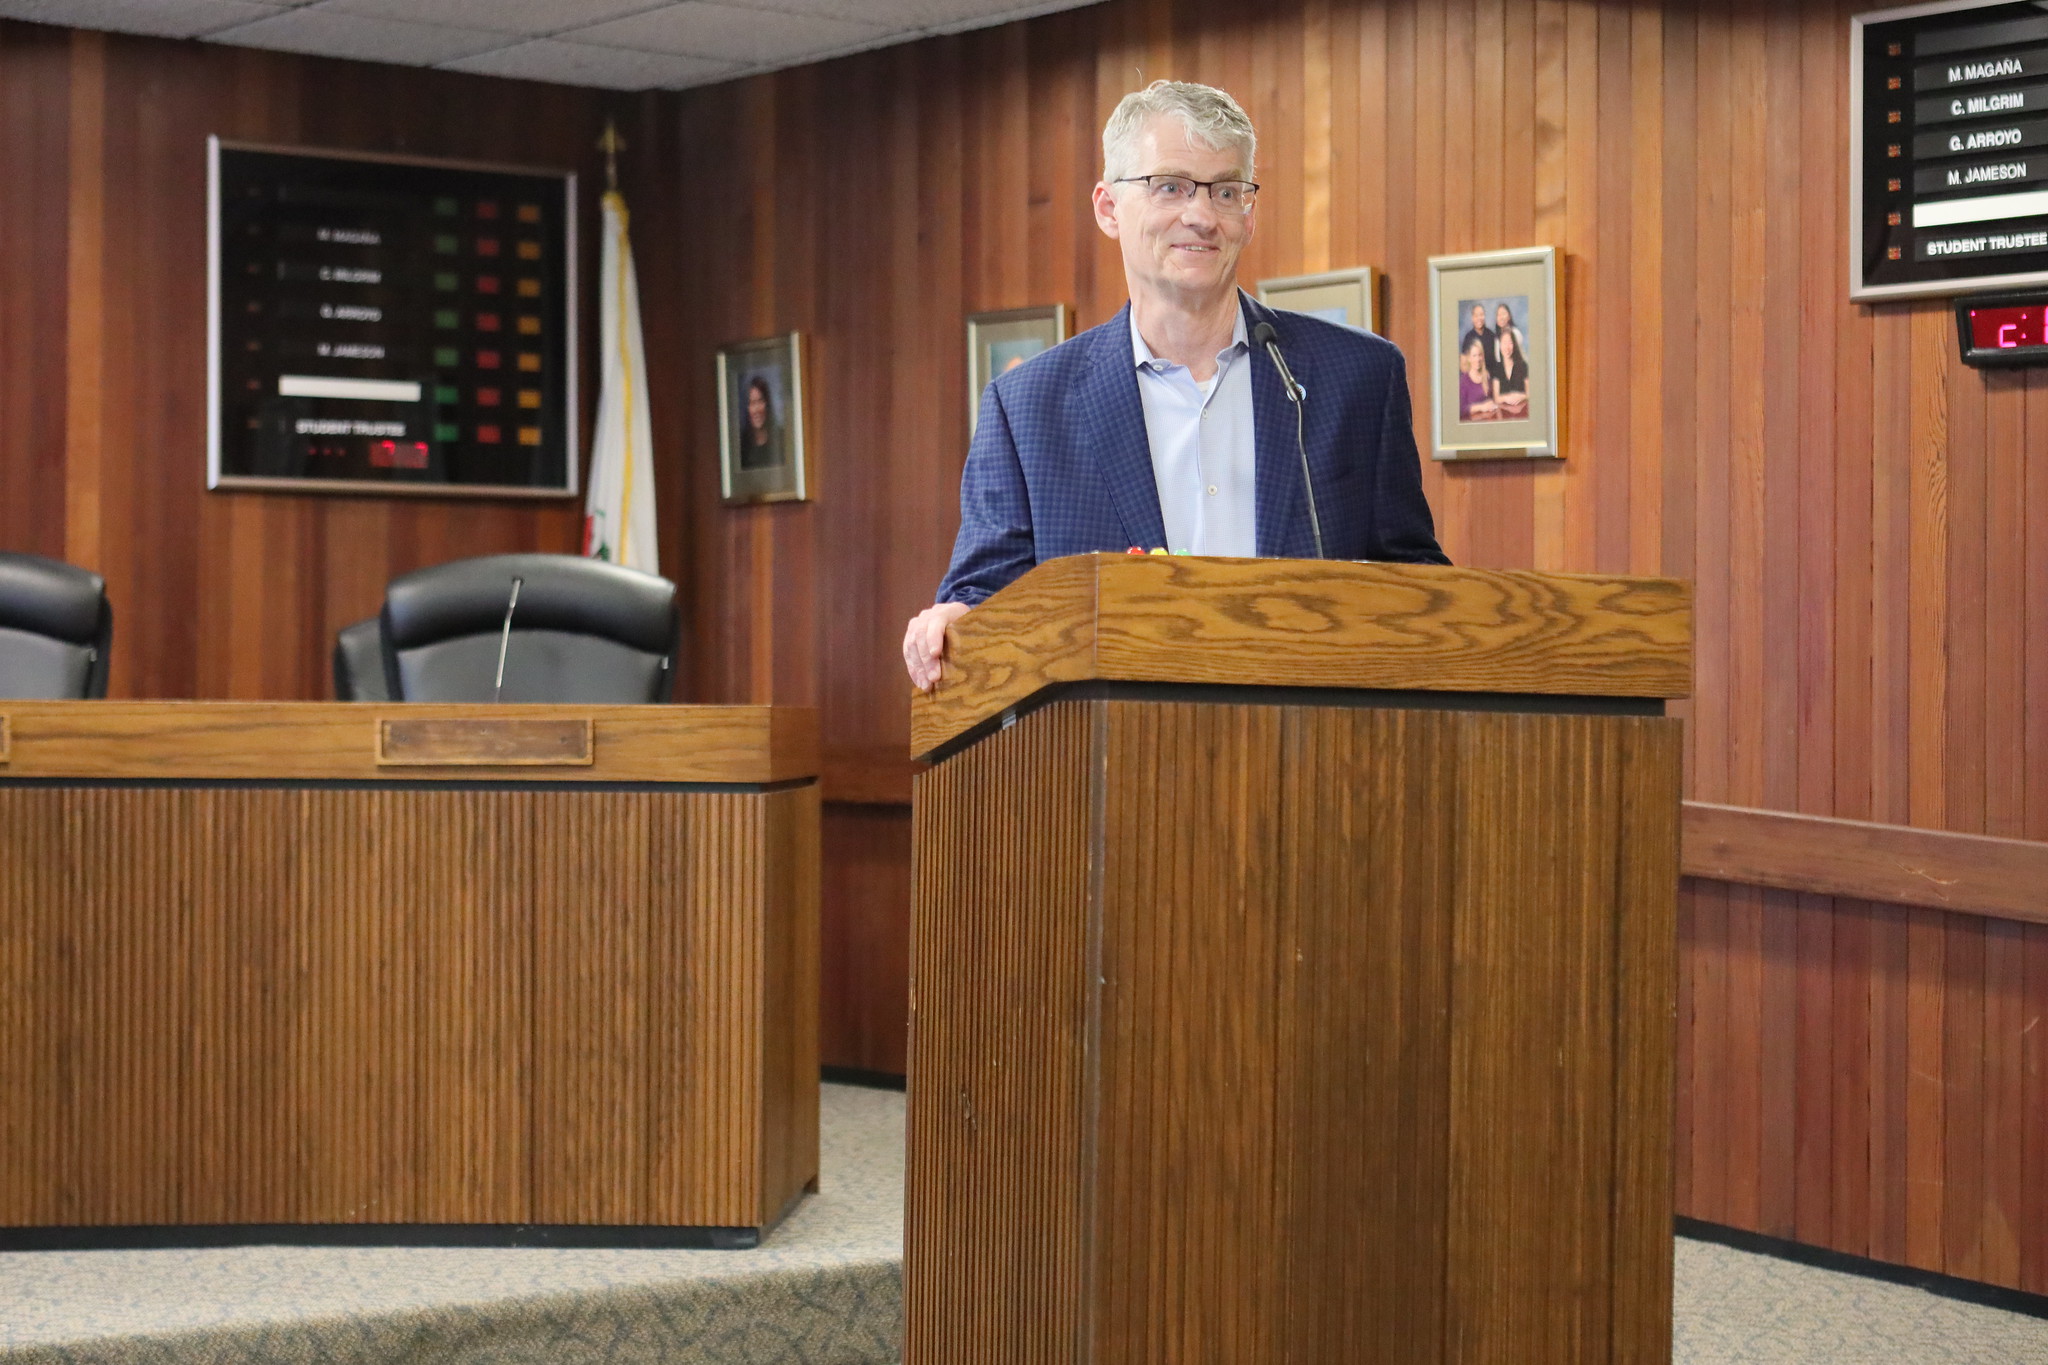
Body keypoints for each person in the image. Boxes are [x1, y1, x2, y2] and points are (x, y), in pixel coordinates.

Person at [902, 80, 1447, 689]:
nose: (1202, 216)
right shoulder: (1028, 407)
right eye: (1171, 187)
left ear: (1249, 214)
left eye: (1226, 190)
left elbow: (1418, 583)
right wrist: (958, 618)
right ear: (1109, 209)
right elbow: (987, 594)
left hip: (1318, 751)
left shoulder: (1356, 379)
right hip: (1117, 758)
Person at [736, 374, 781, 470]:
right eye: (752, 403)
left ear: (767, 404)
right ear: (747, 408)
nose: (756, 410)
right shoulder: (742, 445)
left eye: (760, 401)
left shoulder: (780, 438)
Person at [1491, 324, 1530, 417]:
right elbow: (1496, 398)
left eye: (1510, 343)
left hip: (1522, 412)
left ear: (1514, 345)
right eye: (1504, 343)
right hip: (1503, 414)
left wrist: (1520, 396)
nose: (1507, 347)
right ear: (1500, 346)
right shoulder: (1497, 368)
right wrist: (1507, 397)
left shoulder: (1523, 365)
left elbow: (1530, 393)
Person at [1457, 336, 1497, 422]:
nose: (1478, 359)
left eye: (1480, 355)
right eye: (1474, 356)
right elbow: (1461, 409)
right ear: (1469, 358)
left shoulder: (1487, 376)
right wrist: (1481, 407)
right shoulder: (1464, 381)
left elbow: (1493, 399)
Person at [1460, 303, 1496, 376]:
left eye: (1481, 315)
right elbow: (1463, 363)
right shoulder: (1468, 337)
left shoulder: (1491, 335)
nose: (1479, 318)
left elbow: (1496, 360)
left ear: (1484, 316)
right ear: (1472, 318)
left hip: (1490, 376)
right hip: (1473, 377)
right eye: (1476, 316)